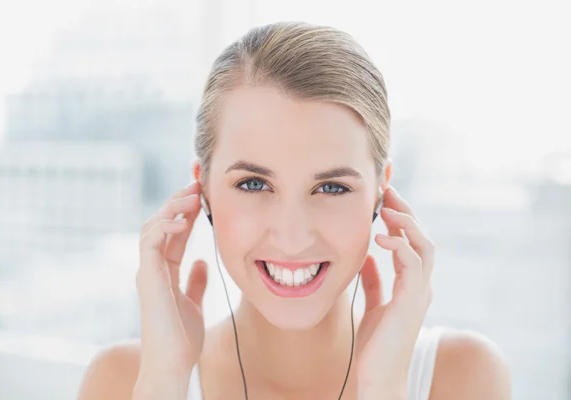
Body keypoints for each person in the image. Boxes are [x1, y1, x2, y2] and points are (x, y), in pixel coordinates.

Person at [77, 21, 511, 400]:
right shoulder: (123, 382)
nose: (292, 236)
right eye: (253, 184)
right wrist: (165, 383)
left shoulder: (463, 377)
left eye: (331, 187)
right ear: (202, 192)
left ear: (381, 195)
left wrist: (383, 391)